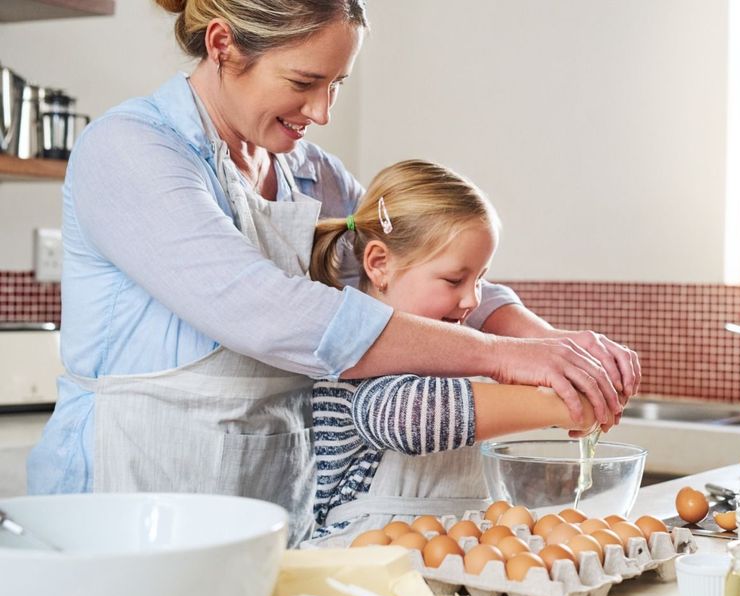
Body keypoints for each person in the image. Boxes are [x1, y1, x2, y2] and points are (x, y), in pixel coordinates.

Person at [26, 0, 639, 546]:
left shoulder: (308, 172)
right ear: (222, 45)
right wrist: (503, 357)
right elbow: (269, 313)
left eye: (337, 84)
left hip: (269, 505)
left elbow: (414, 260)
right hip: (128, 506)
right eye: (305, 81)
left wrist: (547, 342)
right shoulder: (132, 149)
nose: (320, 111)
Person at [305, 159, 598, 541]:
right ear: (379, 265)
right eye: (454, 280)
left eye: (480, 279)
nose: (471, 300)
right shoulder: (353, 355)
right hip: (359, 564)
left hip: (443, 556)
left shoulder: (449, 352)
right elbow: (409, 416)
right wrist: (563, 405)